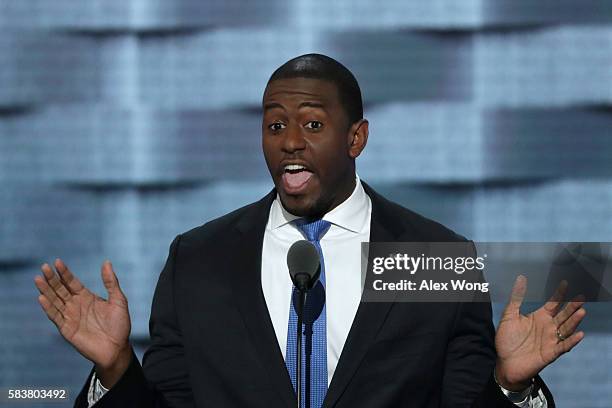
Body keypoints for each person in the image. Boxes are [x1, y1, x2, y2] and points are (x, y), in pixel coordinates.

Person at [34, 54, 586, 408]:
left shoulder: (435, 255)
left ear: (356, 138)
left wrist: (509, 387)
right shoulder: (200, 259)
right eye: (275, 125)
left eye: (313, 124)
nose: (290, 142)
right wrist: (116, 369)